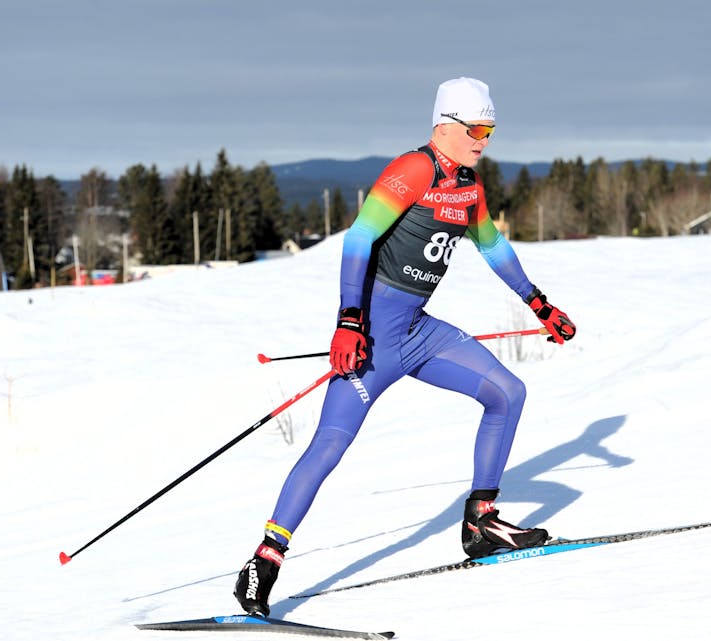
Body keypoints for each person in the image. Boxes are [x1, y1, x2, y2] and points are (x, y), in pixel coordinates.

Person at [234, 77, 576, 617]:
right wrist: (349, 321)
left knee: (508, 393)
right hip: (371, 342)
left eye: (490, 130)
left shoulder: (470, 186)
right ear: (445, 125)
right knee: (329, 445)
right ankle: (264, 563)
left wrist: (538, 303)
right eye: (476, 129)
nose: (484, 140)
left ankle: (481, 522)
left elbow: (492, 246)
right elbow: (359, 237)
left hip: (419, 333)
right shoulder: (415, 168)